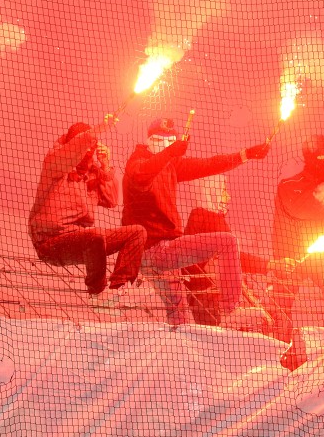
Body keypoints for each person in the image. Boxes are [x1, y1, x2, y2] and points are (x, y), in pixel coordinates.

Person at [121, 117, 271, 328]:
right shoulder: (137, 163)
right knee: (227, 242)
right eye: (159, 140)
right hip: (155, 250)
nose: (165, 146)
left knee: (179, 318)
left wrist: (245, 155)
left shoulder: (171, 166)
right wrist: (171, 153)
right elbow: (142, 175)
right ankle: (231, 309)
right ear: (148, 141)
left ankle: (176, 355)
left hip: (156, 255)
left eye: (170, 141)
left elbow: (208, 165)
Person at [29, 118, 147, 313]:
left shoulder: (92, 174)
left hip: (79, 240)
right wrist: (98, 130)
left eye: (89, 148)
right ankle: (97, 294)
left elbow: (111, 200)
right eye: (81, 147)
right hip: (50, 243)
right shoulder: (55, 165)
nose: (86, 152)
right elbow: (69, 154)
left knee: (137, 232)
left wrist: (106, 166)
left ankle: (119, 288)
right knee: (95, 236)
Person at [271, 135, 324, 371]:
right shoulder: (289, 184)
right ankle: (278, 343)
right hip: (289, 255)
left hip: (320, 254)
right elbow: (303, 209)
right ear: (309, 157)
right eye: (321, 157)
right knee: (281, 300)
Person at [181, 174, 272, 327]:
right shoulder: (206, 217)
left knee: (216, 339)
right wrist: (268, 265)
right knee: (217, 339)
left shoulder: (205, 217)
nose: (228, 197)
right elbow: (231, 257)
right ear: (212, 191)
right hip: (209, 294)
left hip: (208, 293)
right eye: (224, 191)